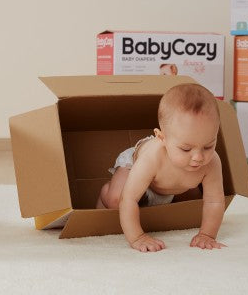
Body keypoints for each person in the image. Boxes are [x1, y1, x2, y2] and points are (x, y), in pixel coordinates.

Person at [96, 83, 225, 252]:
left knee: (194, 204)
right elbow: (129, 199)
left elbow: (214, 200)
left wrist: (207, 235)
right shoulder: (151, 158)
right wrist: (137, 237)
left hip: (171, 183)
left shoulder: (212, 162)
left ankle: (172, 192)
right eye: (186, 149)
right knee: (116, 200)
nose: (199, 157)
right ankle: (105, 192)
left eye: (208, 146)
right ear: (162, 138)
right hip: (134, 168)